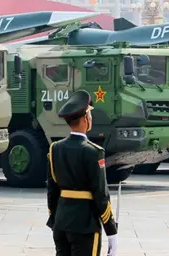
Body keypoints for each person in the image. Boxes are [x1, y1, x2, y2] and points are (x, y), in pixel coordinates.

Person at [46, 90, 119, 256]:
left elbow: (52, 190)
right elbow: (100, 195)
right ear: (86, 118)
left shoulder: (55, 148)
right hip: (85, 225)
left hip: (61, 223)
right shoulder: (94, 152)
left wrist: (55, 220)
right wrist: (111, 231)